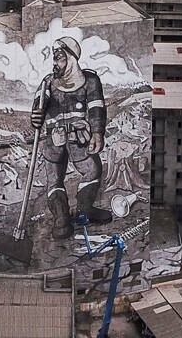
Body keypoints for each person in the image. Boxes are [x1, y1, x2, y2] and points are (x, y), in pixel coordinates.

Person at [30, 36, 112, 238]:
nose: (55, 63)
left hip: (78, 138)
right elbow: (37, 110)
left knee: (92, 170)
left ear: (71, 58)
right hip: (53, 140)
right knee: (55, 179)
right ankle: (61, 220)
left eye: (59, 58)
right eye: (55, 59)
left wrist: (97, 132)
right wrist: (36, 117)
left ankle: (84, 209)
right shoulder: (48, 82)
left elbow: (96, 108)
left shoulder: (90, 80)